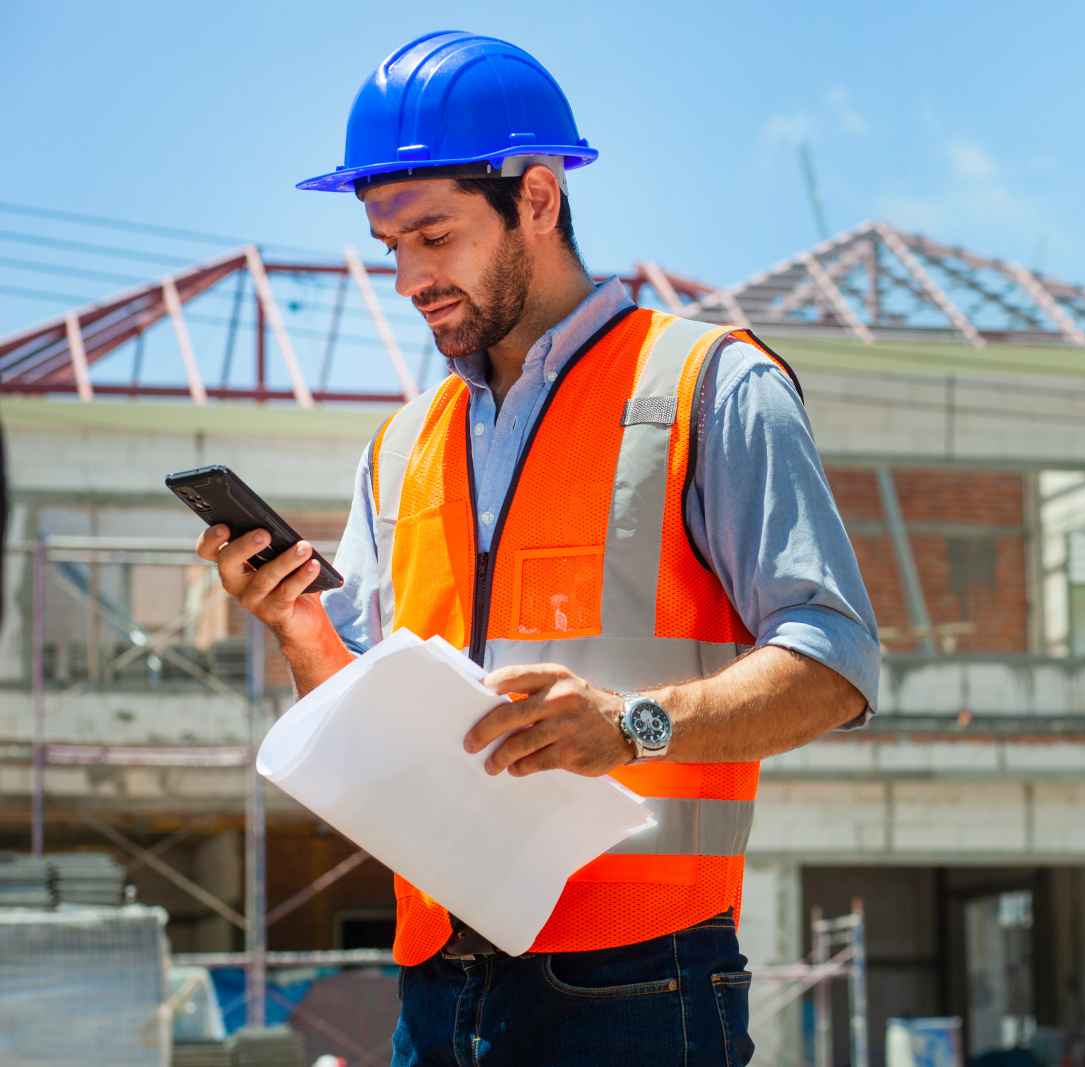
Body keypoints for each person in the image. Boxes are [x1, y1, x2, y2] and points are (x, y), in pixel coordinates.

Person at [195, 31, 878, 1067]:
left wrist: (632, 726)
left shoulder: (709, 388)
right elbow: (363, 726)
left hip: (640, 978)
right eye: (390, 245)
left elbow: (837, 664)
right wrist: (298, 627)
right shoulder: (401, 448)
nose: (408, 276)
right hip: (439, 984)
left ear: (539, 198)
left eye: (434, 235)